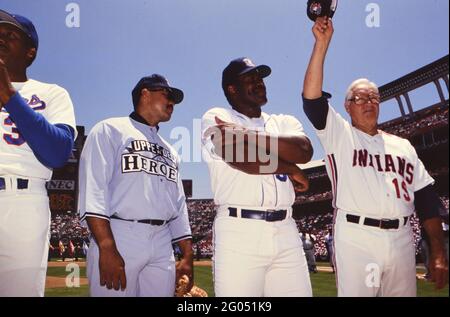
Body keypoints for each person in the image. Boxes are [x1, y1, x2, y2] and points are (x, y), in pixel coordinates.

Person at [302, 16, 448, 296]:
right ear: (347, 106)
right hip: (358, 238)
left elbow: (427, 199)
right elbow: (311, 100)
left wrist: (438, 252)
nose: (368, 102)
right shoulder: (339, 135)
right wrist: (322, 45)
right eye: (360, 98)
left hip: (403, 238)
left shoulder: (403, 146)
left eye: (373, 98)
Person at [201, 57, 314, 297]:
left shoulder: (283, 121)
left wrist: (248, 135)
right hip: (239, 231)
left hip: (286, 231)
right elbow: (239, 156)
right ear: (232, 88)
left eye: (260, 78)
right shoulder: (217, 115)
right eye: (250, 79)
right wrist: (290, 169)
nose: (259, 82)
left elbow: (304, 151)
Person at [78, 74, 193, 297]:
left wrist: (187, 255)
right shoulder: (110, 129)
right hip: (120, 233)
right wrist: (106, 246)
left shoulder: (170, 151)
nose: (172, 103)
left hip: (162, 239)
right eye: (167, 94)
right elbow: (95, 190)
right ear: (145, 93)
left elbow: (178, 205)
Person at [0, 10, 77, 297]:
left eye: (10, 35)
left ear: (30, 52)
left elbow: (57, 153)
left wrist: (9, 96)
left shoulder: (51, 93)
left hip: (21, 202)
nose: (1, 39)